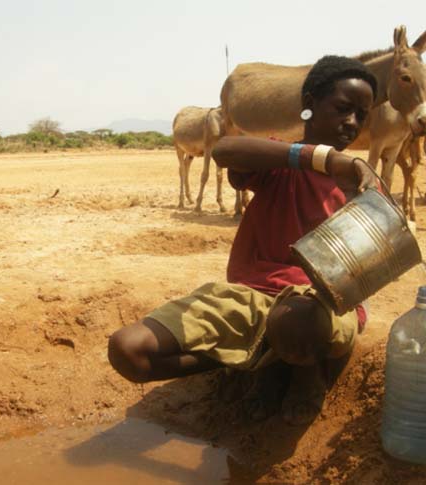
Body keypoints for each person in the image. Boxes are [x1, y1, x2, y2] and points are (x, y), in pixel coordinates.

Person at [108, 55, 378, 423]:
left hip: (321, 306)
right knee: (129, 350)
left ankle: (303, 377)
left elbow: (366, 265)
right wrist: (322, 159)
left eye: (362, 115)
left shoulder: (360, 180)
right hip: (250, 296)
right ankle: (254, 360)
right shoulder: (280, 161)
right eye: (343, 108)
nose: (352, 123)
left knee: (293, 320)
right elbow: (224, 151)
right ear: (310, 104)